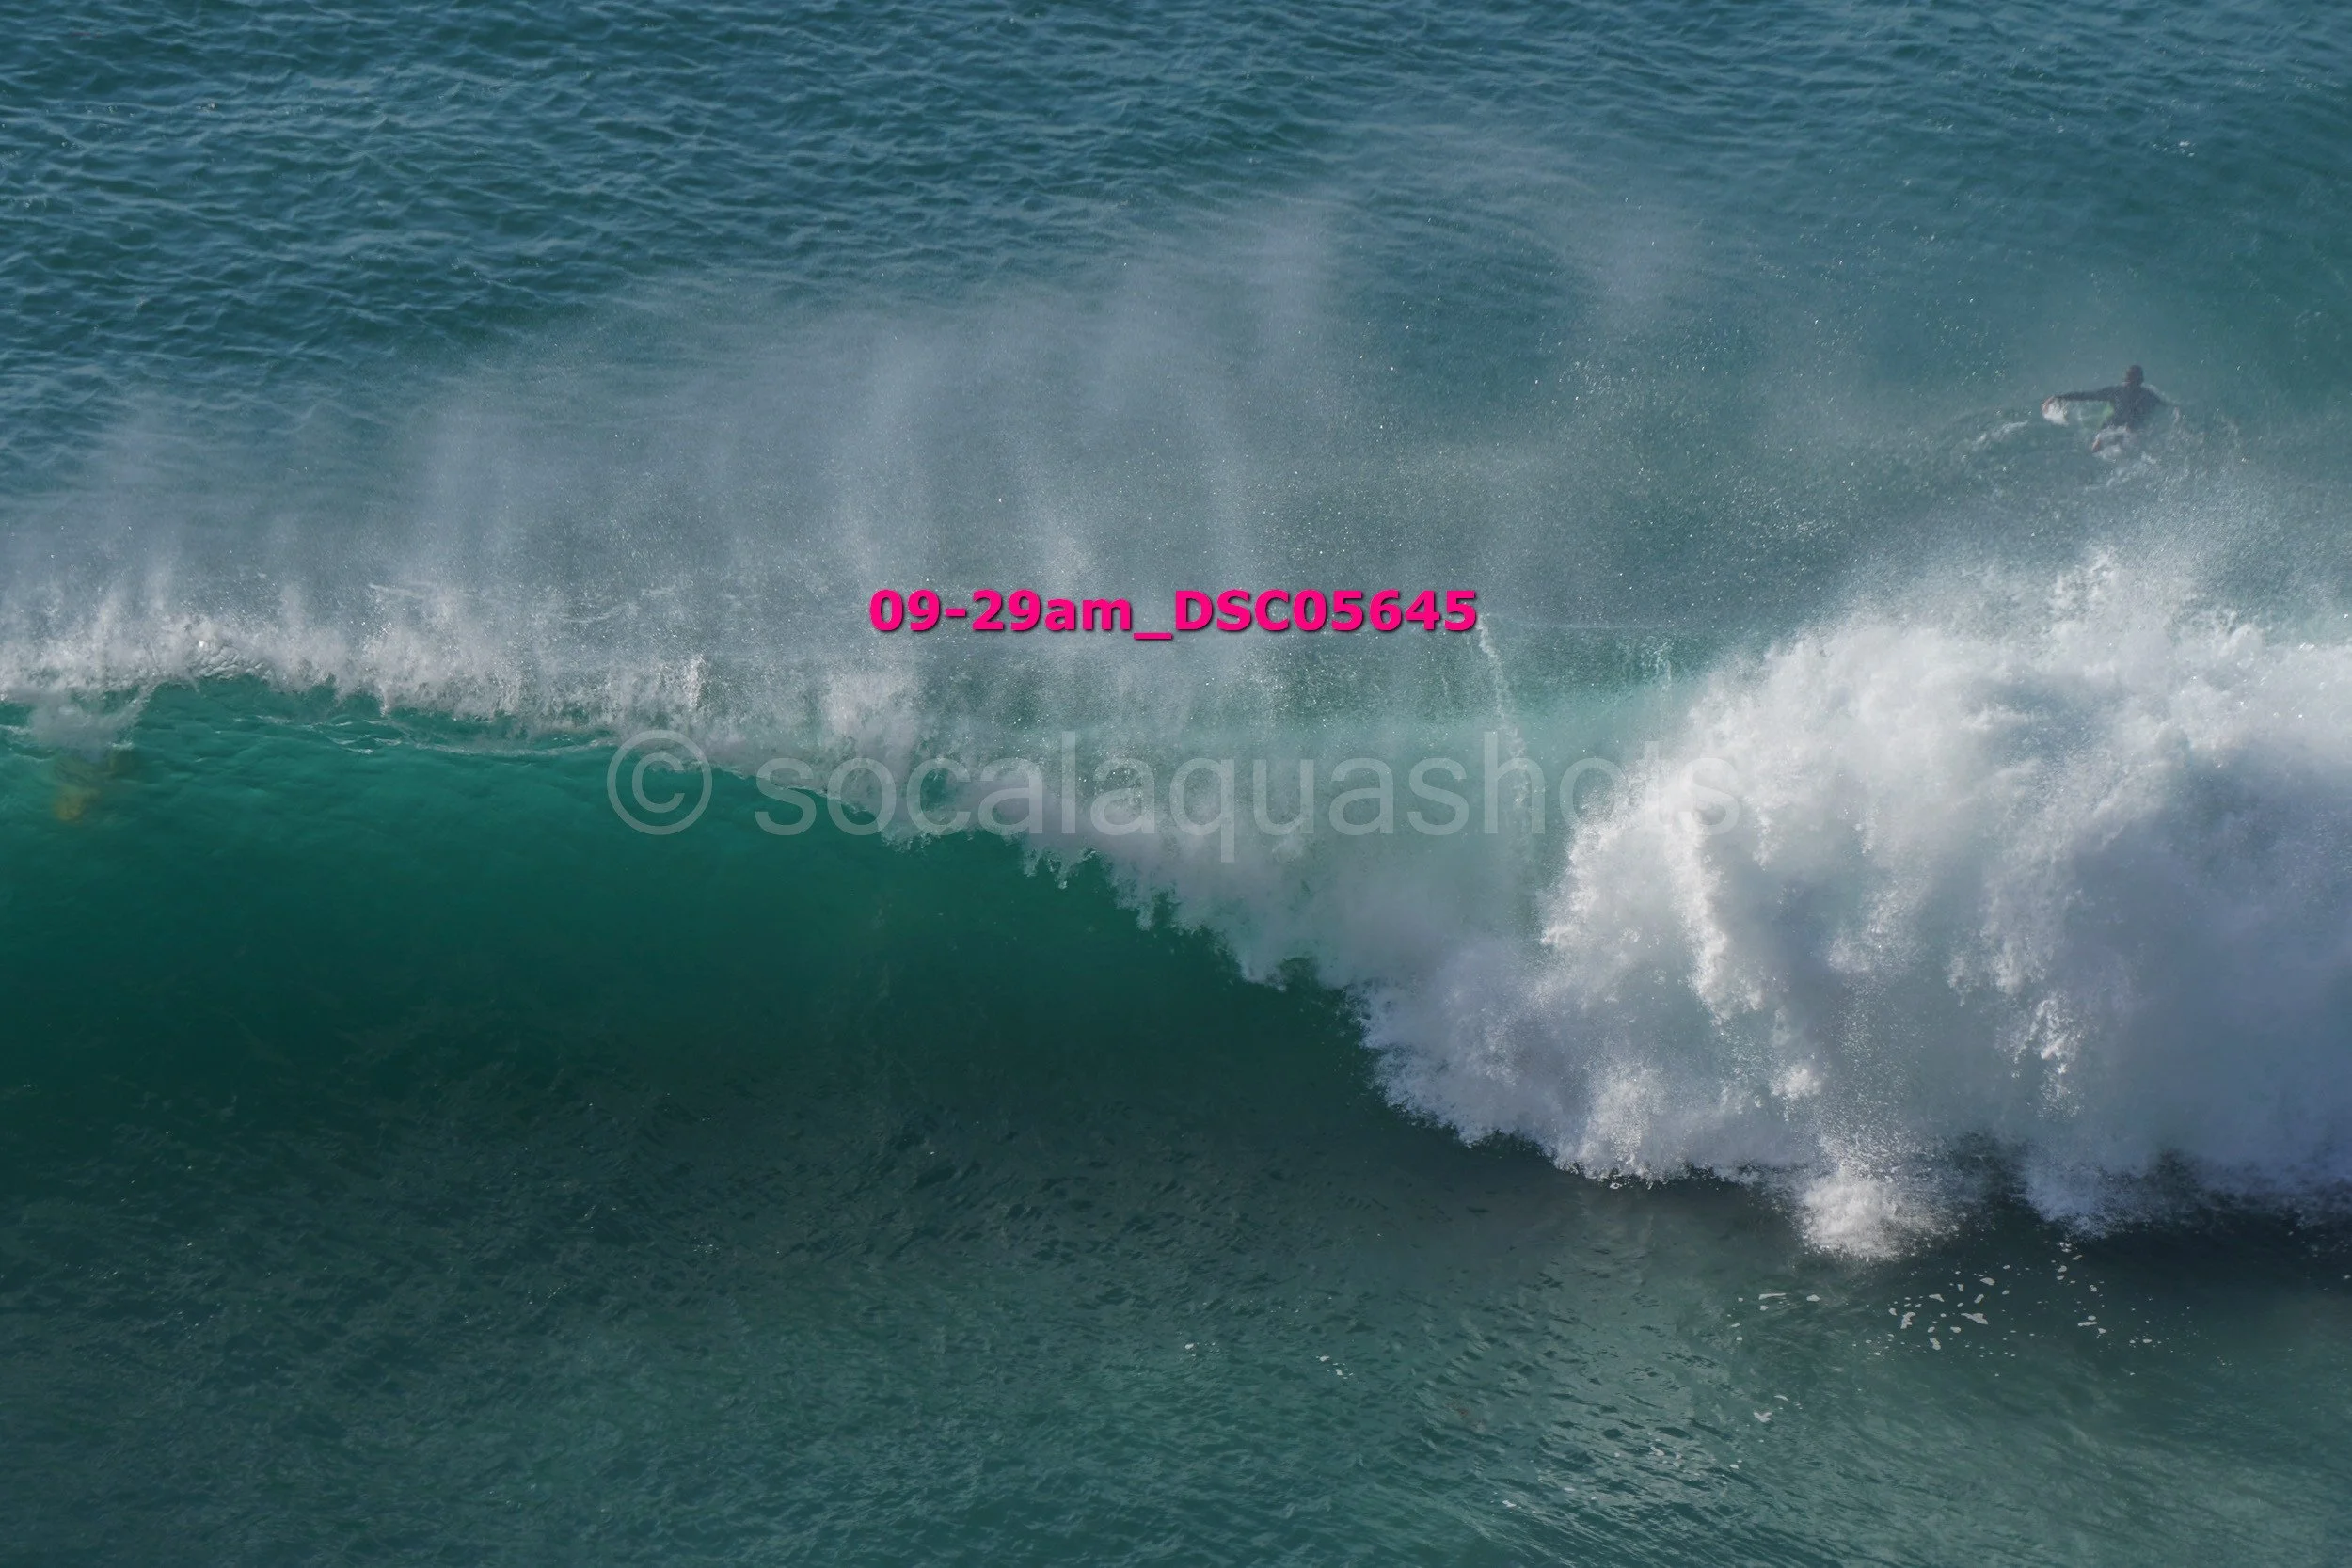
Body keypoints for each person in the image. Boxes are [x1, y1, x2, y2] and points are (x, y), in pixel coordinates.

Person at [2042, 365, 2166, 448]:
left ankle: (2097, 444)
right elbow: (2165, 407)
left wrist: (2059, 397)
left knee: (2099, 445)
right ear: (2141, 380)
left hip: (2111, 426)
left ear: (2126, 379)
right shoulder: (2148, 395)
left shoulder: (2115, 391)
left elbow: (2086, 396)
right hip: (2131, 427)